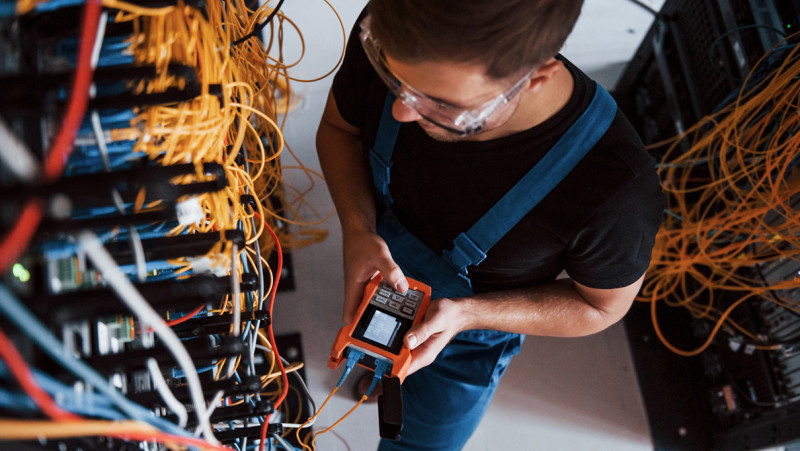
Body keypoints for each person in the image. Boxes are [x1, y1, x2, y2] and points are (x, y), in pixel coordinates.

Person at [315, 0, 665, 449]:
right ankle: (377, 374)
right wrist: (359, 229)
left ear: (536, 76)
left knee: (420, 441)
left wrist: (467, 315)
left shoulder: (616, 191)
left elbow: (599, 307)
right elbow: (339, 130)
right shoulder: (393, 27)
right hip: (385, 252)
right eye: (395, 79)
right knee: (375, 348)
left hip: (470, 333)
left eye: (440, 103)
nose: (402, 111)